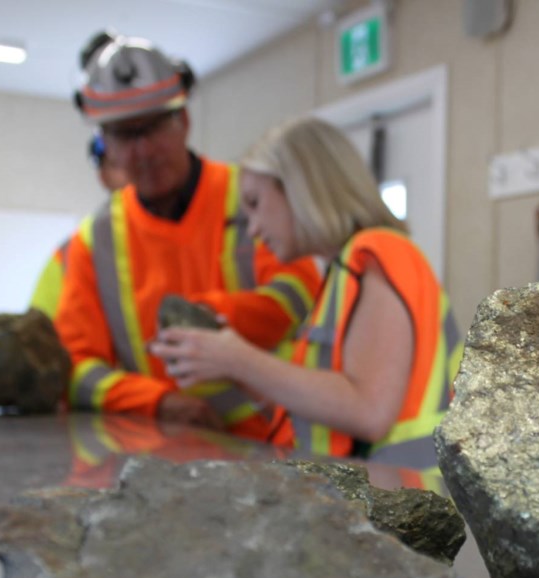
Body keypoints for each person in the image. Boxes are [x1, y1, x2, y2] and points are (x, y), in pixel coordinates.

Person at [150, 117, 462, 475]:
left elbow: (370, 411)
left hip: (406, 504)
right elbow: (322, 409)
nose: (252, 229)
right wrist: (229, 365)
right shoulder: (339, 276)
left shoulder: (377, 252)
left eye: (255, 203)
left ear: (300, 188)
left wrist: (237, 359)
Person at [54, 32, 320, 436]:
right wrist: (159, 403)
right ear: (104, 143)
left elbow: (300, 291)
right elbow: (77, 367)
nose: (143, 150)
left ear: (184, 121)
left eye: (155, 127)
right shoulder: (96, 240)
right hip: (164, 454)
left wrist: (204, 324)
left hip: (276, 443)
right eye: (125, 134)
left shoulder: (248, 197)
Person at [29, 133, 129, 320]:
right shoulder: (79, 248)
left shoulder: (191, 225)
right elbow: (35, 333)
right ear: (103, 176)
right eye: (119, 163)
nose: (135, 168)